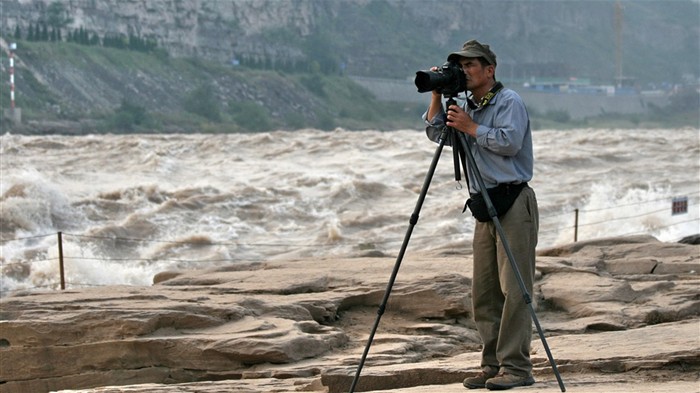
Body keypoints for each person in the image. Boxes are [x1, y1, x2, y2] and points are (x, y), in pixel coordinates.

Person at [423, 40, 539, 390]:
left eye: (471, 65)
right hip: (483, 204)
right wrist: (437, 95)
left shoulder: (508, 102)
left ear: (490, 70)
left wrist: (472, 127)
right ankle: (492, 365)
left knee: (515, 290)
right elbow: (435, 133)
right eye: (460, 66)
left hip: (513, 200)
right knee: (485, 292)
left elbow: (510, 142)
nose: (465, 71)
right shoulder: (466, 105)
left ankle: (517, 369)